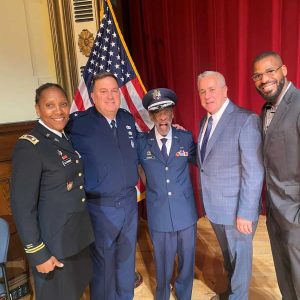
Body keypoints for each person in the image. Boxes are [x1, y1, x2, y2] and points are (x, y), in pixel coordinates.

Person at [10, 83, 94, 300]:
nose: (59, 111)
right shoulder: (30, 146)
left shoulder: (65, 136)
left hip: (75, 241)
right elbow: (22, 207)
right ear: (38, 109)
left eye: (63, 104)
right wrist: (38, 254)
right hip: (53, 248)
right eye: (50, 105)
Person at [66, 72, 139, 300]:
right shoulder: (78, 125)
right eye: (103, 91)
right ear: (93, 96)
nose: (110, 96)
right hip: (100, 208)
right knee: (103, 267)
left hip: (129, 203)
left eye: (114, 91)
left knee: (127, 263)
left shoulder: (127, 120)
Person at [197, 71, 264, 300]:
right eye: (203, 91)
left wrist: (245, 213)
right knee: (229, 259)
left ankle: (238, 297)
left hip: (238, 213)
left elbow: (254, 172)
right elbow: (206, 163)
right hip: (216, 209)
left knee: (240, 262)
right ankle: (232, 293)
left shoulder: (245, 120)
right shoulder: (204, 121)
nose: (207, 95)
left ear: (226, 90)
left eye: (212, 89)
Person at [137, 88, 198, 300]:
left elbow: (204, 162)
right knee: (162, 261)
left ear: (172, 113)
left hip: (185, 212)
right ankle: (162, 294)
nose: (162, 117)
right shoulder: (141, 142)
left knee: (187, 259)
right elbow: (137, 168)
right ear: (151, 116)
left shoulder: (186, 137)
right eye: (157, 112)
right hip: (159, 212)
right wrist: (154, 187)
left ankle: (183, 293)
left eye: (166, 111)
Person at [252, 51, 300, 299]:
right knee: (285, 277)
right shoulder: (266, 110)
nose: (264, 79)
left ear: (284, 70)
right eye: (258, 75)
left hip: (296, 215)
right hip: (274, 212)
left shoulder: (298, 104)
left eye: (270, 71)